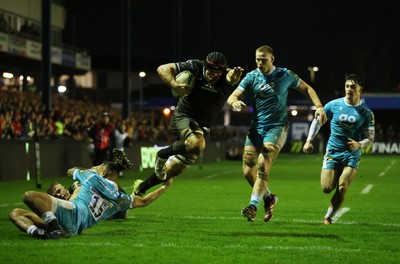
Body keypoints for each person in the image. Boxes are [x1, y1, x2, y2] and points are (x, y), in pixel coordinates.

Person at [226, 45, 327, 222]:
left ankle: (252, 206)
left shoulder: (284, 75)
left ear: (272, 59)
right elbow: (233, 96)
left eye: (263, 59)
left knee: (263, 164)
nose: (259, 63)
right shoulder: (251, 77)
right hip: (256, 128)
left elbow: (307, 89)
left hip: (277, 126)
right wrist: (234, 103)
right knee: (248, 170)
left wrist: (319, 107)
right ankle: (269, 198)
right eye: (257, 59)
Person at [132, 51, 243, 196]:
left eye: (217, 72)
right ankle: (162, 154)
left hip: (203, 126)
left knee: (172, 171)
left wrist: (233, 79)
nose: (213, 74)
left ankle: (139, 190)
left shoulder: (228, 76)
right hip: (183, 116)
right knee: (197, 144)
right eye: (210, 69)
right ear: (205, 65)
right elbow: (162, 68)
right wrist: (175, 85)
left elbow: (231, 78)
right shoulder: (195, 66)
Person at [9, 151, 172, 239]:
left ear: (104, 172)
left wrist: (86, 171)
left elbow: (69, 171)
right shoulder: (121, 199)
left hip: (70, 212)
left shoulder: (91, 177)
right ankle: (40, 234)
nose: (95, 166)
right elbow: (144, 202)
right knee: (16, 213)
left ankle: (56, 229)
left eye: (98, 166)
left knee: (29, 196)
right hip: (76, 228)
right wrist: (165, 186)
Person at [302, 74, 375, 224]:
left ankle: (329, 216)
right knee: (327, 188)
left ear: (360, 89)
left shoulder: (366, 112)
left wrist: (359, 144)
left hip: (352, 154)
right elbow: (318, 121)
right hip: (333, 152)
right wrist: (309, 140)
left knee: (342, 186)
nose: (349, 89)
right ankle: (336, 173)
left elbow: (371, 138)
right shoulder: (333, 105)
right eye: (347, 86)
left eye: (353, 86)